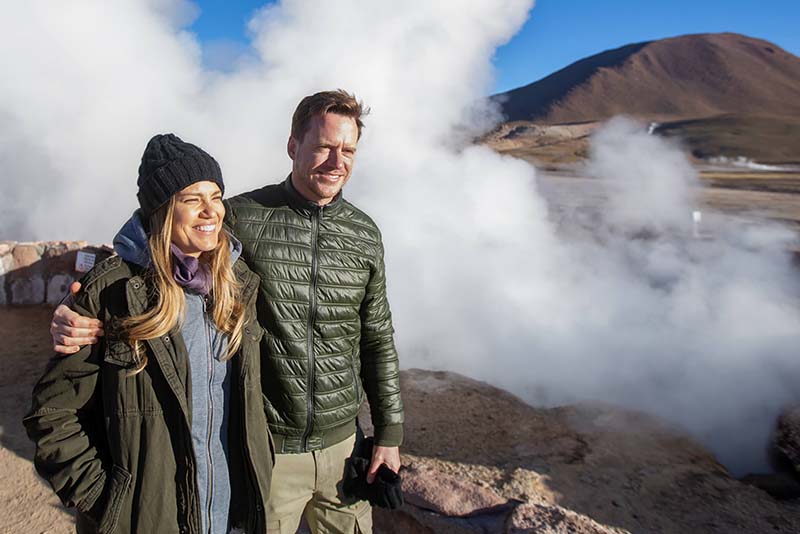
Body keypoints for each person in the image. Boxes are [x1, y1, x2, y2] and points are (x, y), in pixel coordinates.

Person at [51, 90, 404, 534]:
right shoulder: (240, 217)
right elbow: (158, 241)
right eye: (324, 147)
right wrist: (79, 305)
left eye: (348, 150)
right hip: (269, 449)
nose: (337, 162)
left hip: (343, 448)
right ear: (294, 146)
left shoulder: (364, 233)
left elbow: (377, 337)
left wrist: (388, 434)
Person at [27, 134, 273, 534]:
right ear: (162, 209)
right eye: (192, 199)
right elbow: (52, 415)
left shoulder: (237, 284)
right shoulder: (114, 293)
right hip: (150, 520)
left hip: (230, 513)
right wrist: (109, 502)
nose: (211, 211)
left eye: (216, 196)